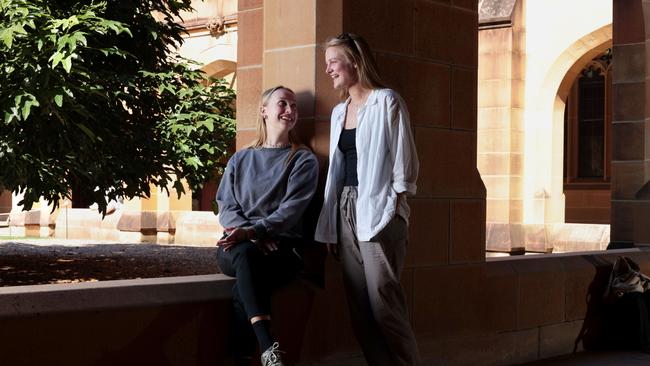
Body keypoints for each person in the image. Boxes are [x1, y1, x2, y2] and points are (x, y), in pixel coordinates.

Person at [315, 33, 421, 366]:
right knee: (359, 308)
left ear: (355, 61)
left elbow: (405, 165)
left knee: (383, 303)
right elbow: (336, 170)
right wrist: (332, 226)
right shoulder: (338, 112)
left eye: (334, 61)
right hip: (345, 209)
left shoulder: (386, 101)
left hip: (379, 210)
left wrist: (392, 208)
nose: (329, 69)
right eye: (327, 63)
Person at [216, 86, 319, 366]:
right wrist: (250, 236)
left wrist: (254, 232)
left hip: (281, 251)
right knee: (247, 257)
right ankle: (268, 346)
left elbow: (291, 210)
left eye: (294, 106)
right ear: (264, 111)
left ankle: (243, 356)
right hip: (236, 246)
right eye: (282, 104)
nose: (290, 110)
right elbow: (226, 205)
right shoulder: (241, 158)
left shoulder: (302, 160)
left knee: (244, 286)